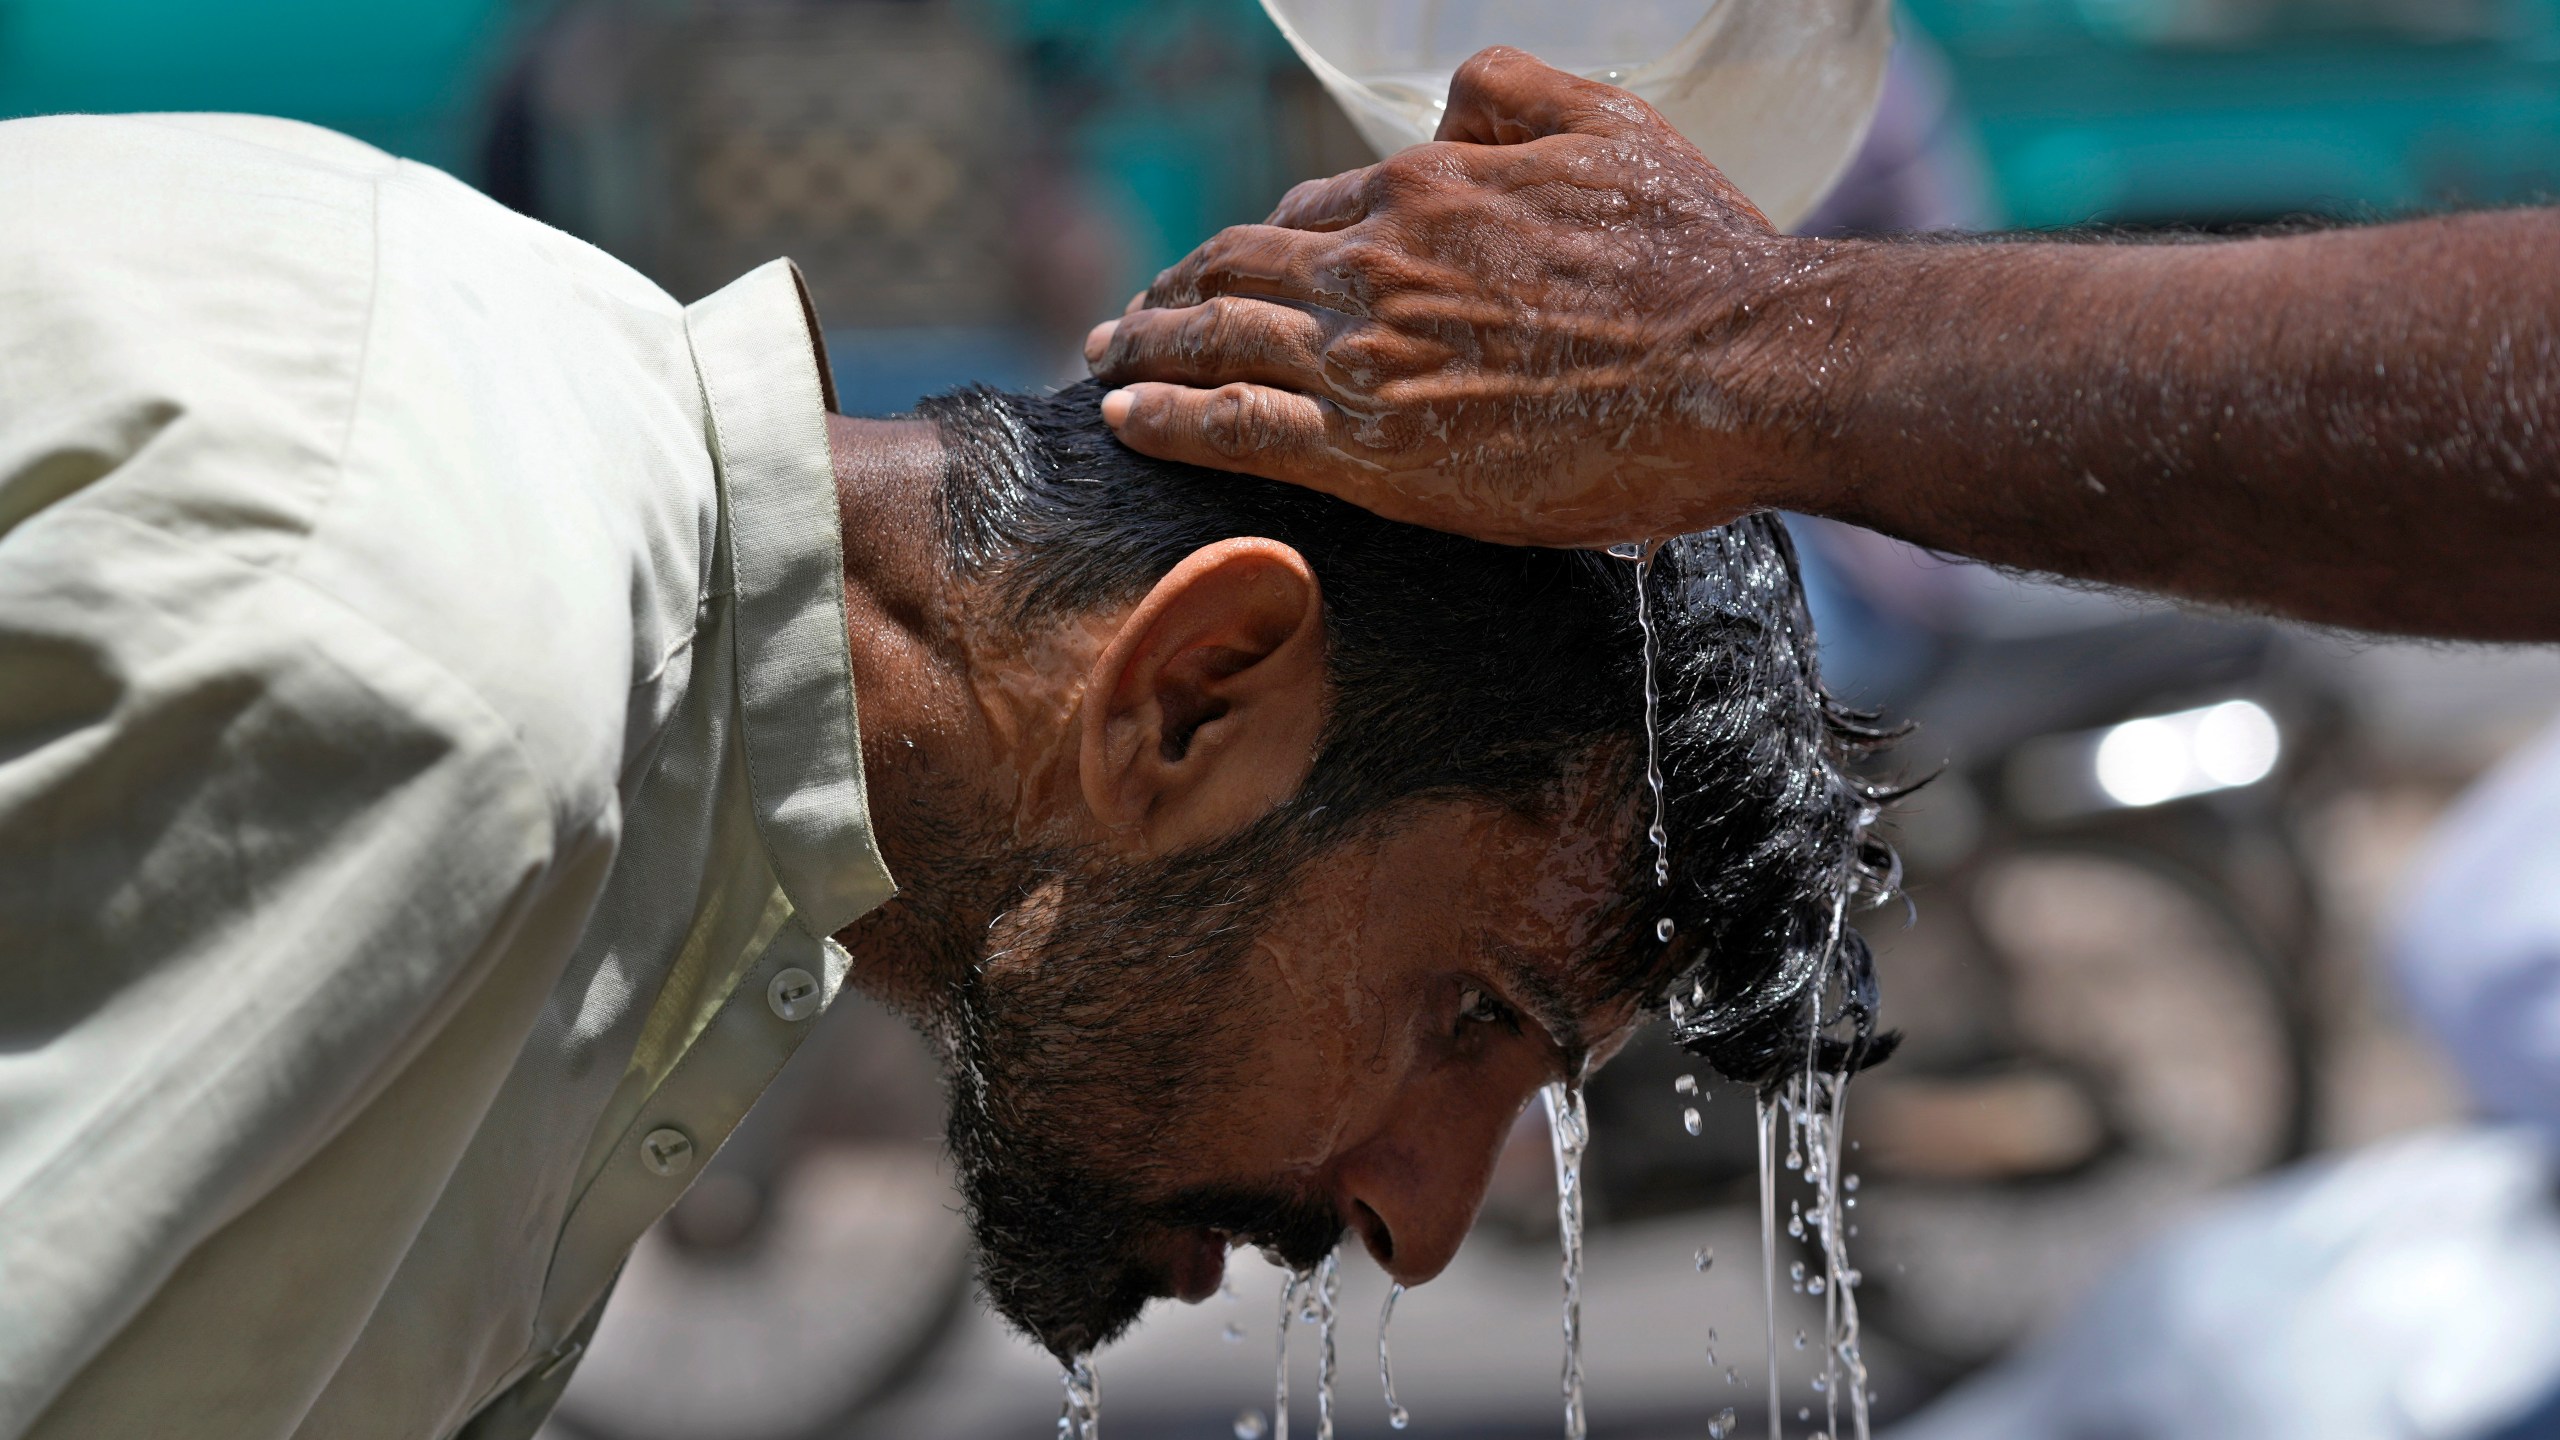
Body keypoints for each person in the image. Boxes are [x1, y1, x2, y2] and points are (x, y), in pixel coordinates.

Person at [0, 114, 1892, 1439]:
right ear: (1191, 695)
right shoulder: (468, 704)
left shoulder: (533, 426)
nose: (1427, 1218)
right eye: (1471, 1016)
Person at [1085, 48, 2560, 641]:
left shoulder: (1812, 70)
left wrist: (1720, 352)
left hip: (1862, 550)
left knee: (1660, 664)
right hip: (1772, 475)